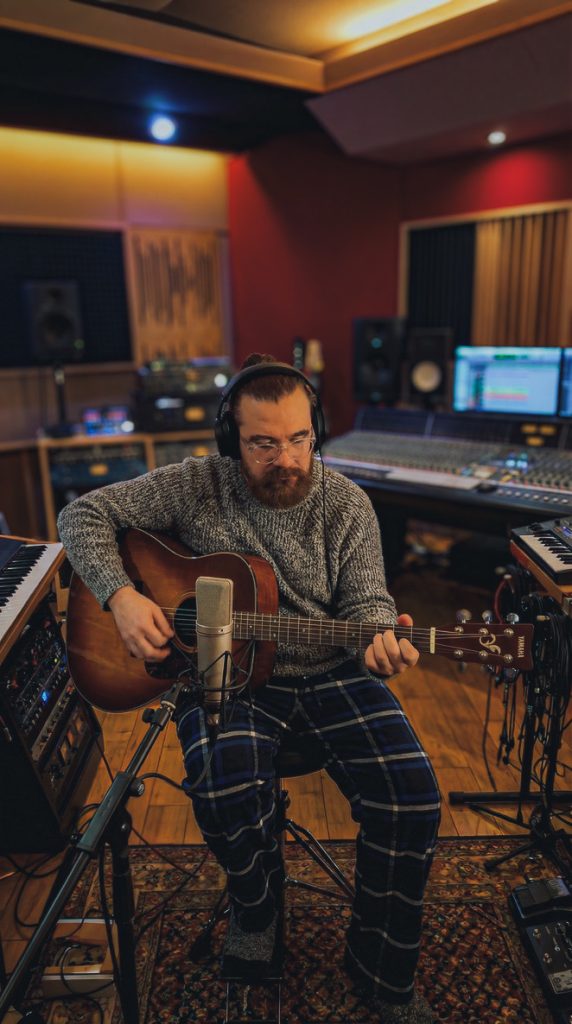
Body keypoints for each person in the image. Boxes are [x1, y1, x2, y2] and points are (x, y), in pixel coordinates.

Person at [57, 354, 440, 1024]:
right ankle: (257, 906)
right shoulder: (195, 484)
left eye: (298, 439)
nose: (285, 459)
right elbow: (81, 514)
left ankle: (383, 968)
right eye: (263, 443)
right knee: (221, 787)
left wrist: (379, 640)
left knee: (414, 797)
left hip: (331, 673)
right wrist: (120, 596)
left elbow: (368, 603)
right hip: (226, 674)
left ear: (316, 431)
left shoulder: (347, 504)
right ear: (230, 438)